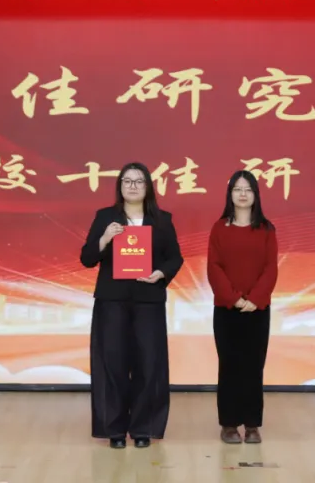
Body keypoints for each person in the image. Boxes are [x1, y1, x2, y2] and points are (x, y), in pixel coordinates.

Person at [80, 161, 184, 449]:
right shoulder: (105, 217)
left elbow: (175, 258)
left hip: (148, 301)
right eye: (127, 181)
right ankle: (113, 429)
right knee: (111, 363)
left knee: (148, 364)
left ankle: (143, 428)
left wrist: (160, 273)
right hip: (112, 301)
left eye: (139, 181)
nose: (133, 186)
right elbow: (87, 258)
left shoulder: (162, 220)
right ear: (120, 186)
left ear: (148, 187)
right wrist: (105, 238)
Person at [206, 170, 279, 445]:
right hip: (227, 309)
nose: (243, 194)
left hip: (257, 310)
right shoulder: (219, 228)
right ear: (230, 194)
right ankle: (228, 424)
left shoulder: (266, 229)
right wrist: (234, 298)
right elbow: (214, 267)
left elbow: (271, 268)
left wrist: (255, 299)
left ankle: (251, 424)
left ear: (255, 195)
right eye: (237, 189)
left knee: (253, 366)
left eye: (248, 189)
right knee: (229, 366)